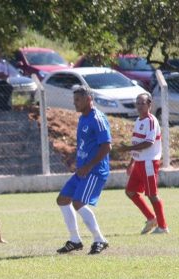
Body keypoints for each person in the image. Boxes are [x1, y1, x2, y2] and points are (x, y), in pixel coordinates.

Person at [56, 85, 111, 255]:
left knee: (78, 202)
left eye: (78, 100)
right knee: (63, 199)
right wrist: (75, 159)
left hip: (94, 171)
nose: (75, 104)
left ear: (88, 99)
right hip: (82, 170)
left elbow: (107, 146)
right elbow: (84, 144)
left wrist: (89, 165)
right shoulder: (83, 118)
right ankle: (75, 240)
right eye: (74, 100)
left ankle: (99, 239)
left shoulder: (98, 118)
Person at [120, 93, 169, 234]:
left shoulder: (151, 121)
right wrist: (131, 163)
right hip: (139, 163)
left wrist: (127, 149)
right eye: (138, 103)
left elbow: (148, 142)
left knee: (152, 194)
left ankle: (163, 226)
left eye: (143, 103)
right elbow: (136, 142)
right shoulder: (138, 120)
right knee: (130, 191)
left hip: (148, 162)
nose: (140, 106)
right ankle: (151, 218)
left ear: (149, 105)